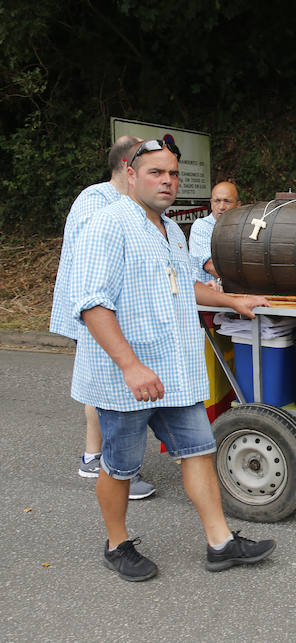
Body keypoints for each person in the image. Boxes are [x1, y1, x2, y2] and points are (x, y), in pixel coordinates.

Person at [69, 138, 276, 581]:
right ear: (131, 173)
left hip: (174, 370)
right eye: (156, 172)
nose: (167, 181)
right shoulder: (107, 224)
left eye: (173, 174)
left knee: (199, 451)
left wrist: (231, 299)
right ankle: (116, 544)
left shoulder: (172, 229)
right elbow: (91, 304)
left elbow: (182, 284)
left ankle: (220, 543)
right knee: (120, 465)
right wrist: (130, 365)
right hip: (125, 374)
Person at [49, 135, 156, 500]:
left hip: (115, 306)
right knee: (108, 384)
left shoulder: (125, 200)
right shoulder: (95, 201)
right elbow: (92, 264)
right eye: (148, 164)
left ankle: (93, 457)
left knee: (100, 380)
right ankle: (110, 464)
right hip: (97, 308)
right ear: (129, 165)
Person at [190, 181, 241, 283]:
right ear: (211, 203)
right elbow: (211, 266)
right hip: (207, 295)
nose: (221, 207)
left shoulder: (242, 228)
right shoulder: (201, 226)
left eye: (227, 201)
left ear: (238, 205)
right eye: (217, 201)